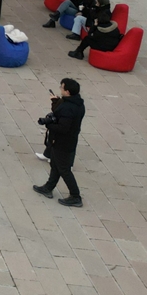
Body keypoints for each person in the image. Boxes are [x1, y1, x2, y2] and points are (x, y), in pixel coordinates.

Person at [33, 78, 85, 207]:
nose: (60, 89)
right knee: (56, 165)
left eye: (62, 87)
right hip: (67, 141)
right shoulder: (77, 103)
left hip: (63, 142)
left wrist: (49, 125)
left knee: (64, 169)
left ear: (67, 91)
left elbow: (63, 127)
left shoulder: (68, 108)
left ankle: (75, 196)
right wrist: (56, 102)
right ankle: (48, 187)